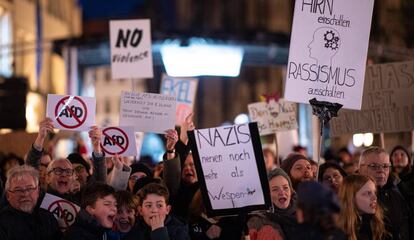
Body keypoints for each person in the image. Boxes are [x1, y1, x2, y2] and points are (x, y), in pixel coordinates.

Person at [359, 146, 412, 240]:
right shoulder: (353, 196)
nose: (381, 170)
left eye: (385, 166)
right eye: (373, 166)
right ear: (360, 168)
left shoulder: (396, 194)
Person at [0, 165, 61, 239]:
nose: (25, 194)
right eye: (18, 190)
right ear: (8, 195)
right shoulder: (2, 223)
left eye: (30, 188)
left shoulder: (48, 218)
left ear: (38, 191)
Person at [125, 183, 190, 240]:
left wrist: (159, 234)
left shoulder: (180, 231)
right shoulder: (134, 233)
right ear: (140, 210)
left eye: (159, 205)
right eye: (149, 205)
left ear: (167, 210)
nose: (154, 210)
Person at [248, 168, 298, 240]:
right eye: (275, 189)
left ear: (291, 191)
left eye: (285, 188)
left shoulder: (305, 214)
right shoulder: (257, 222)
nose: (282, 192)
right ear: (267, 195)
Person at [338, 175, 388, 240]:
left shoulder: (376, 221)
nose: (375, 197)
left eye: (374, 192)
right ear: (351, 197)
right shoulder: (336, 230)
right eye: (368, 193)